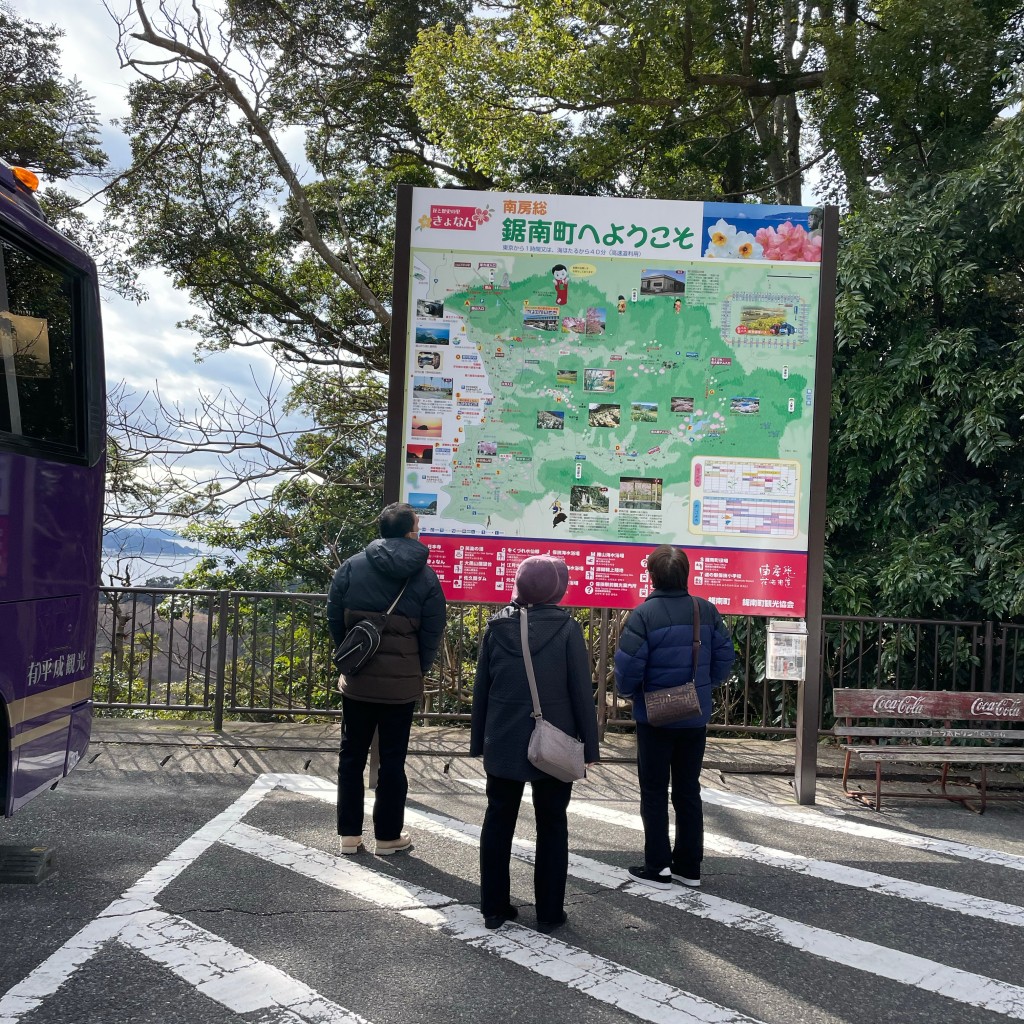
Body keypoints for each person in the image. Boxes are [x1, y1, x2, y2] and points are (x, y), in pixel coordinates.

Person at [471, 556, 599, 933]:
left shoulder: (496, 628)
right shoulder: (566, 628)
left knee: (498, 821)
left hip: (504, 738)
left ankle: (493, 909)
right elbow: (580, 692)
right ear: (556, 588)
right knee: (552, 824)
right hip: (555, 741)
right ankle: (548, 913)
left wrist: (480, 742)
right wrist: (589, 749)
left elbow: (483, 691)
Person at [327, 502, 446, 856]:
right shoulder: (425, 576)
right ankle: (387, 837)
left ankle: (349, 835)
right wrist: (416, 667)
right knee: (393, 759)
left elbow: (335, 618)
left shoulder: (352, 566)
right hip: (402, 686)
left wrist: (352, 657)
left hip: (358, 679)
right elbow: (433, 631)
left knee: (351, 756)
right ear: (411, 532)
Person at [614, 545, 735, 889]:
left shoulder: (643, 615)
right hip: (694, 716)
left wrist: (632, 694)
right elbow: (725, 659)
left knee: (653, 790)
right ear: (686, 574)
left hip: (655, 717)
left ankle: (658, 866)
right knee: (687, 790)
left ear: (651, 575)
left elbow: (627, 671)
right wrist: (702, 685)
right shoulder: (706, 611)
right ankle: (689, 867)